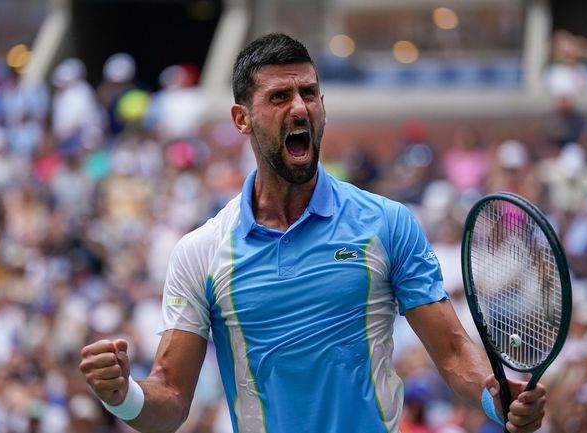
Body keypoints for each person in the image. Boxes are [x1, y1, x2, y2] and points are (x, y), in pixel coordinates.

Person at [79, 33, 547, 433]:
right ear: (242, 119)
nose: (299, 108)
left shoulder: (387, 223)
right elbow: (171, 400)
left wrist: (497, 398)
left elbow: (453, 353)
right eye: (279, 97)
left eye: (309, 93)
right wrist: (123, 396)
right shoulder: (201, 251)